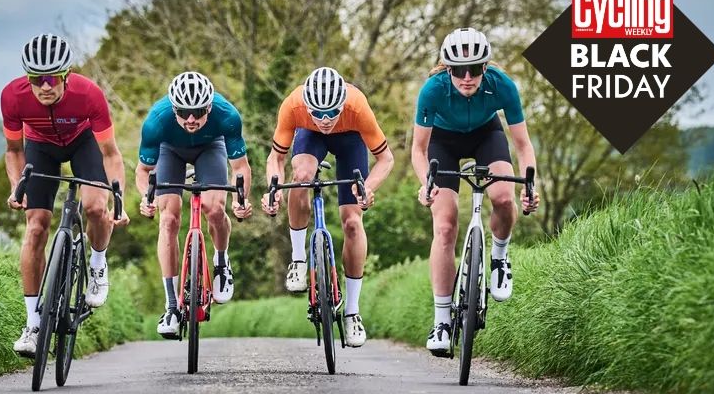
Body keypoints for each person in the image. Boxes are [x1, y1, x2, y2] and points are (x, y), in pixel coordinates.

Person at [411, 27, 540, 356]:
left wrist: (530, 183)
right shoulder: (433, 90)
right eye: (458, 70)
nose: (466, 78)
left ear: (485, 67)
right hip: (443, 141)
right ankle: (441, 321)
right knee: (444, 225)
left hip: (486, 135)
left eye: (474, 69)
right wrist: (426, 182)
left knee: (503, 197)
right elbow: (418, 149)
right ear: (447, 69)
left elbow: (523, 145)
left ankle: (499, 257)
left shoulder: (503, 86)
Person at [2, 33, 129, 357]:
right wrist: (17, 187)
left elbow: (111, 154)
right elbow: (14, 149)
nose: (44, 86)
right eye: (36, 79)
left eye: (52, 78)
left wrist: (119, 199)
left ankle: (98, 265)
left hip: (82, 143)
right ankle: (32, 324)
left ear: (65, 75)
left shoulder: (89, 94)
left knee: (95, 208)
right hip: (40, 147)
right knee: (36, 227)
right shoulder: (13, 98)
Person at [262, 67, 394, 348]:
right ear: (306, 105)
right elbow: (276, 158)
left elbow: (386, 159)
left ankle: (352, 312)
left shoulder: (357, 105)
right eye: (317, 112)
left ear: (342, 103)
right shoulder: (293, 105)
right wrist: (274, 188)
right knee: (301, 177)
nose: (324, 119)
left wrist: (368, 187)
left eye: (331, 112)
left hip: (350, 141)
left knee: (352, 222)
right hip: (309, 139)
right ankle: (299, 260)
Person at [136, 71, 253, 339]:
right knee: (168, 219)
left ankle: (221, 261)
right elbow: (144, 171)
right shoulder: (156, 120)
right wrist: (147, 196)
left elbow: (240, 168)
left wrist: (240, 200)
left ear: (209, 107)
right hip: (170, 151)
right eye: (184, 112)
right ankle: (171, 306)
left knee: (215, 209)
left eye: (198, 112)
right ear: (173, 107)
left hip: (211, 147)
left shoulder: (228, 116)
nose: (191, 119)